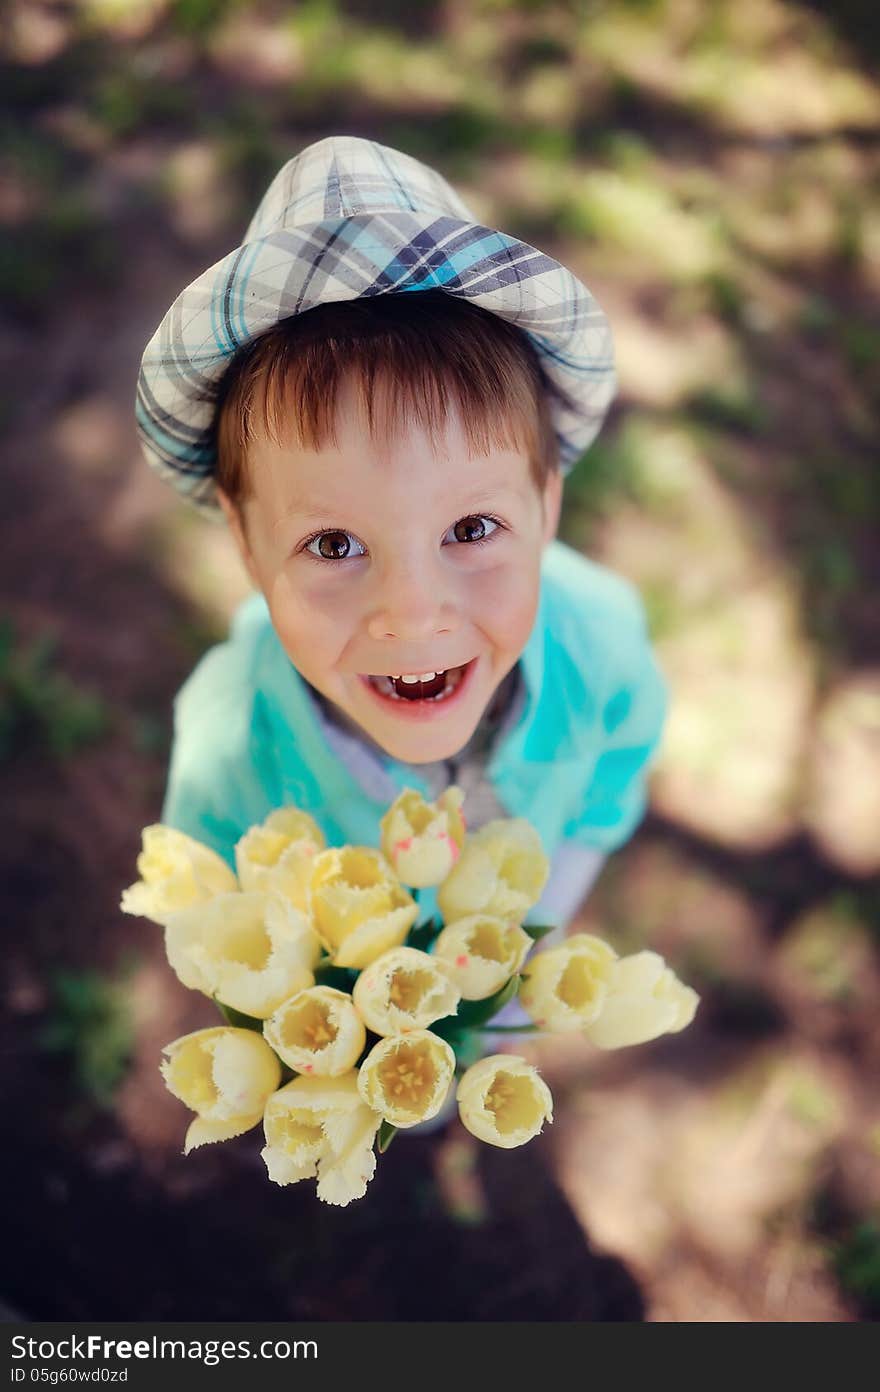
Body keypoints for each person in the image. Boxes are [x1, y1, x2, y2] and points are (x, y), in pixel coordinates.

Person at [135, 134, 668, 955]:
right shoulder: (233, 748)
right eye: (335, 544)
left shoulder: (599, 652)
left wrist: (531, 957)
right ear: (245, 543)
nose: (414, 615)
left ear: (547, 504)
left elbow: (609, 782)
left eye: (471, 529)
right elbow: (211, 922)